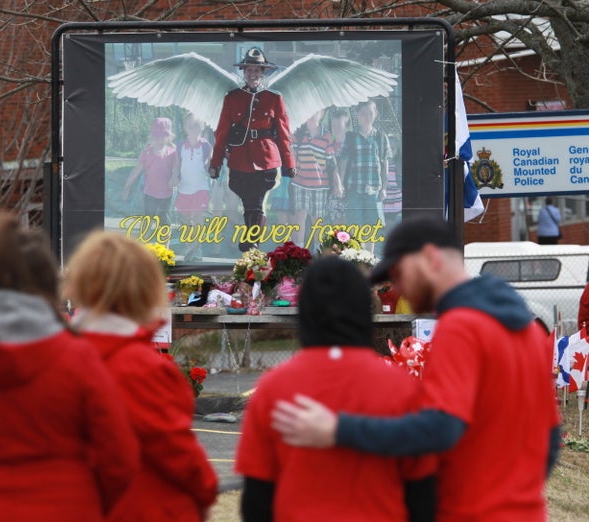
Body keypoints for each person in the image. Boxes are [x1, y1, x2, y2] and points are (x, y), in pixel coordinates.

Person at [271, 217, 561, 522]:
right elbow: (550, 436)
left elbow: (440, 428)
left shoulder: (460, 327)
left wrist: (337, 429)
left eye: (400, 272)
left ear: (430, 259)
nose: (400, 286)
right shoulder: (524, 329)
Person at [0, 214, 139, 522]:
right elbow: (120, 456)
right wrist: (88, 499)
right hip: (68, 507)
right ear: (50, 282)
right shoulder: (79, 358)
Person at [236, 256, 435, 521]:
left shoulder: (274, 389)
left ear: (305, 314)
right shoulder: (400, 387)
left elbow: (257, 499)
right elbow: (423, 494)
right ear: (364, 312)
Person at [65, 231, 218, 521]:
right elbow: (177, 453)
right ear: (145, 288)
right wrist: (205, 490)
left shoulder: (56, 359)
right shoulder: (142, 368)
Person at [209, 47, 296, 252]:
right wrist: (216, 164)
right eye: (249, 70)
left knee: (255, 202)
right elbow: (221, 133)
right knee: (250, 203)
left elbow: (284, 135)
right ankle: (251, 242)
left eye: (257, 70)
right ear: (244, 72)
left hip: (266, 159)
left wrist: (289, 164)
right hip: (240, 160)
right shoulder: (232, 98)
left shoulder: (274, 98)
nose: (253, 74)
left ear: (262, 73)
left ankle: (251, 243)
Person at [337, 100, 391, 244]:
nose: (367, 117)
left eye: (370, 113)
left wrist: (384, 188)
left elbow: (385, 162)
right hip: (354, 188)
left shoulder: (380, 137)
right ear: (357, 115)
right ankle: (355, 256)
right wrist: (340, 183)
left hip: (374, 189)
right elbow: (343, 161)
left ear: (376, 115)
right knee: (354, 225)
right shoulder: (350, 137)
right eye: (363, 114)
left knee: (371, 226)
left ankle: (368, 259)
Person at [289, 109, 341, 248]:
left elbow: (332, 163)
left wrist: (337, 183)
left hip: (320, 185)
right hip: (300, 183)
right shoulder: (298, 134)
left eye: (315, 112)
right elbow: (291, 156)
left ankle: (318, 250)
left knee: (317, 219)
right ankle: (299, 250)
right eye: (308, 111)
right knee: (300, 216)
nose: (311, 115)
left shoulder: (327, 136)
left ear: (322, 114)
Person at [171, 113, 213, 262]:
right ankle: (190, 248)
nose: (192, 128)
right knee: (186, 221)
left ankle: (196, 250)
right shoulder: (180, 145)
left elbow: (210, 166)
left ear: (201, 127)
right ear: (185, 127)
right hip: (184, 189)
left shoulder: (206, 145)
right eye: (189, 125)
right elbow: (177, 166)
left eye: (195, 125)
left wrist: (214, 168)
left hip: (201, 188)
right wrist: (174, 178)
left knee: (198, 219)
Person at [123, 117, 177, 225]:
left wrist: (174, 178)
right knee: (148, 220)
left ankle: (164, 242)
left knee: (164, 221)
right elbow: (136, 171)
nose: (159, 138)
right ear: (152, 135)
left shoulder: (172, 153)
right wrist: (127, 187)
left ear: (169, 136)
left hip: (166, 194)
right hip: (150, 193)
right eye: (157, 135)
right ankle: (145, 240)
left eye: (163, 135)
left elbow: (177, 170)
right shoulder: (147, 153)